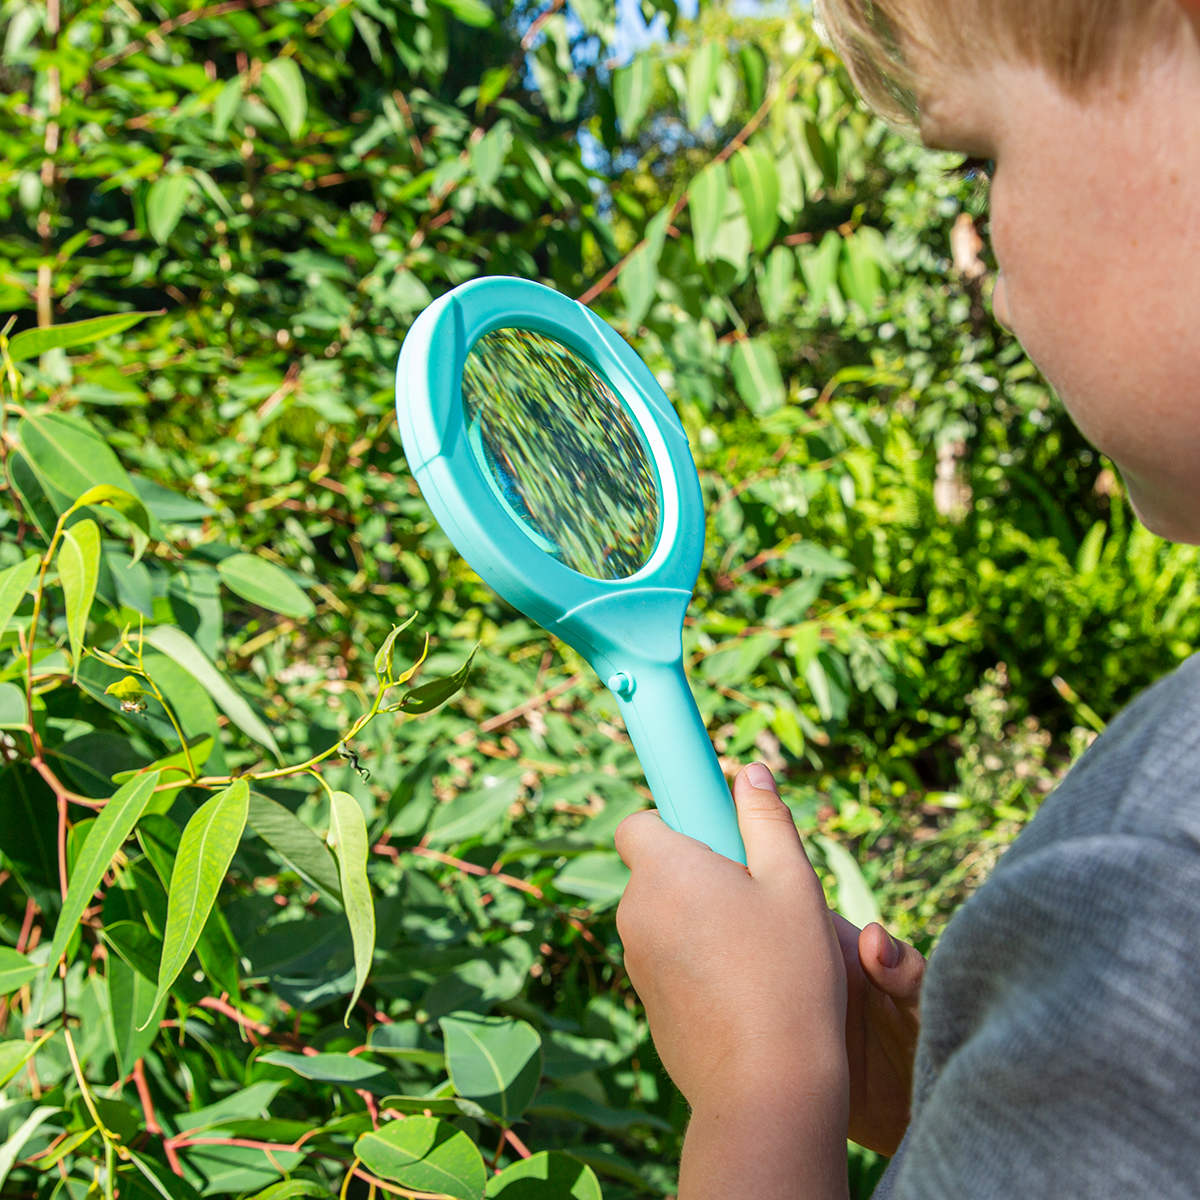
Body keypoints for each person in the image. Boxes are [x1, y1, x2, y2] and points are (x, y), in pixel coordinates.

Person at [613, 1, 1200, 1195]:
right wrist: (978, 1093)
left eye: (981, 158)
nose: (990, 274)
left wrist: (763, 1095)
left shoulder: (1159, 892)